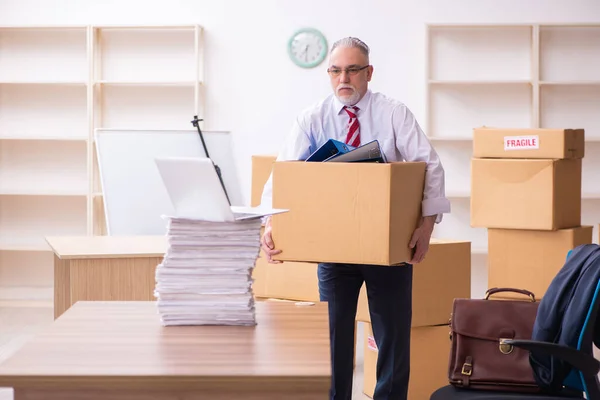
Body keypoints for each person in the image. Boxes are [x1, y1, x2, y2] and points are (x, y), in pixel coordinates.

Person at [259, 37, 451, 400]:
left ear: (368, 73)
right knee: (332, 337)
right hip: (335, 248)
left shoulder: (394, 113)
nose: (343, 77)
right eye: (335, 70)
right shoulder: (311, 117)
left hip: (388, 247)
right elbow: (282, 176)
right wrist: (271, 224)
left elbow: (431, 167)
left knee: (391, 336)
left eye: (352, 69)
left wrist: (426, 227)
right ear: (328, 74)